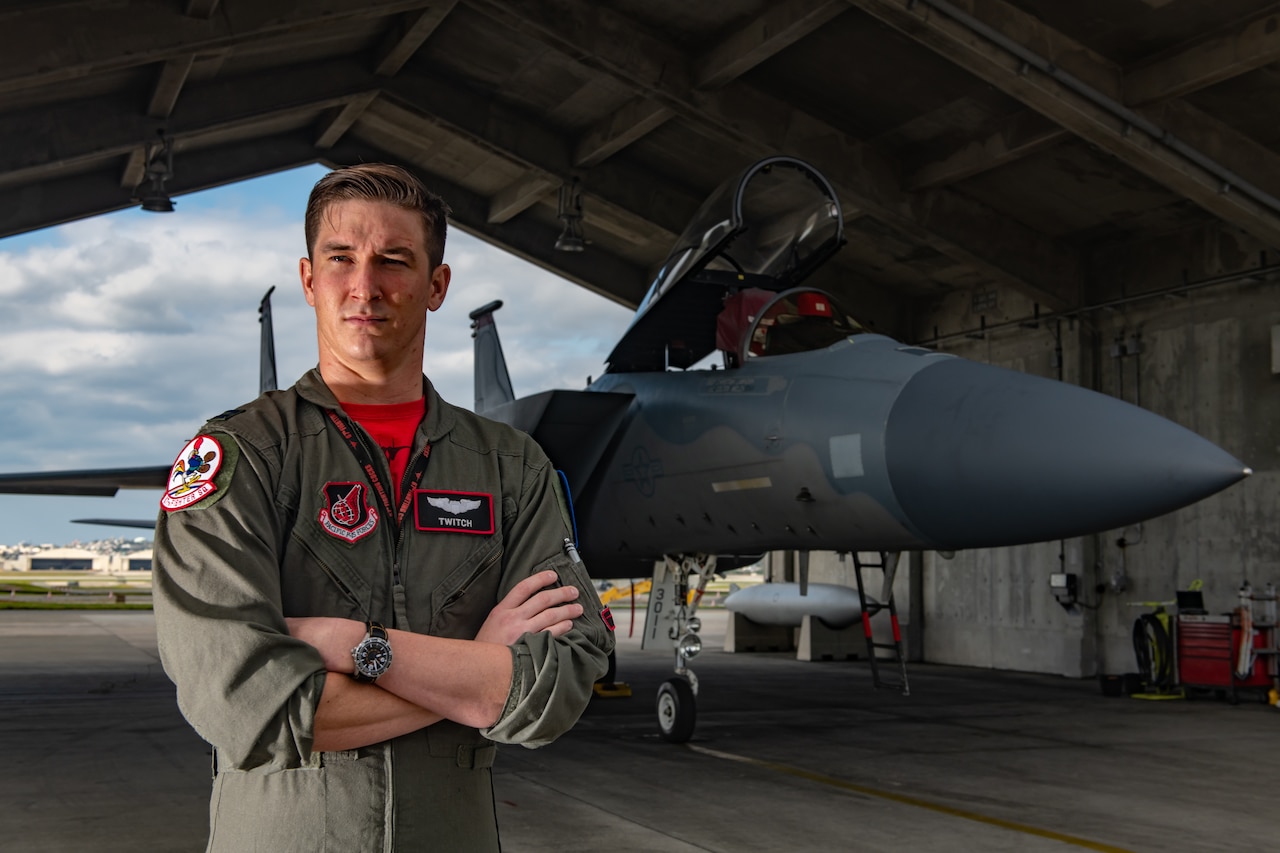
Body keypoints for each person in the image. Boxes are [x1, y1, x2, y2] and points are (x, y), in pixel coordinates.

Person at [153, 163, 615, 852]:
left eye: (394, 260)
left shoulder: (511, 467)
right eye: (341, 259)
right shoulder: (241, 456)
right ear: (309, 280)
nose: (365, 286)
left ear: (437, 286)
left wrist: (351, 647)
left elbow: (555, 686)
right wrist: (476, 672)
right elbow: (245, 704)